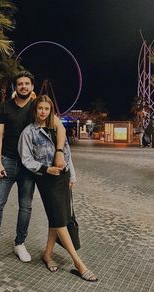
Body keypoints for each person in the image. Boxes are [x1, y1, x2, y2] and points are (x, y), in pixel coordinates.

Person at [0, 71, 66, 266]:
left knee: (25, 206)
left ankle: (20, 244)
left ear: (32, 87)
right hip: (7, 161)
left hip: (29, 166)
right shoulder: (5, 107)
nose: (23, 86)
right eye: (20, 84)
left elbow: (61, 127)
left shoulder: (37, 107)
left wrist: (59, 152)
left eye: (27, 83)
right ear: (15, 87)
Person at [18, 95, 98, 282]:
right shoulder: (28, 133)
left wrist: (72, 175)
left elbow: (66, 153)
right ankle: (79, 263)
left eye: (46, 109)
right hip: (46, 179)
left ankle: (47, 254)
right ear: (35, 110)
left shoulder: (57, 129)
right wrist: (46, 169)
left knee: (58, 218)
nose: (43, 112)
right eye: (40, 108)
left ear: (50, 110)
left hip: (63, 178)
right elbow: (26, 159)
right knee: (60, 220)